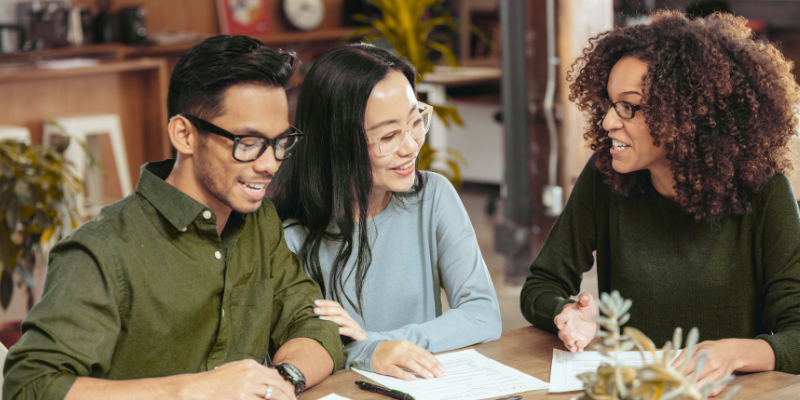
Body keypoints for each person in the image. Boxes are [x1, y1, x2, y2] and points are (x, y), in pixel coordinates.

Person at [3, 35, 343, 400]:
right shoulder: (103, 250)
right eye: (248, 143)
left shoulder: (260, 222)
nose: (270, 164)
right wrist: (197, 389)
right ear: (184, 135)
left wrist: (281, 381)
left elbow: (314, 325)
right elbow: (30, 386)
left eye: (280, 142)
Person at [520, 10, 800, 396]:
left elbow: (799, 333)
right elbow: (542, 284)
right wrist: (565, 313)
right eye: (609, 103)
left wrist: (736, 353)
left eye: (628, 107)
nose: (607, 123)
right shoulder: (607, 175)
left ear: (686, 115)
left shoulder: (765, 192)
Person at [267, 43, 502, 381]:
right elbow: (294, 357)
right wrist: (368, 352)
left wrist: (373, 344)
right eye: (389, 135)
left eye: (416, 121)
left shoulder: (433, 197)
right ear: (337, 143)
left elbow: (482, 315)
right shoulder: (289, 236)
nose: (411, 146)